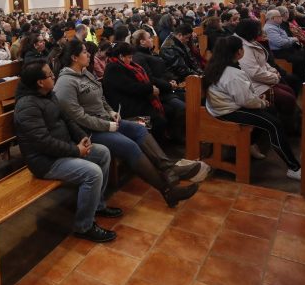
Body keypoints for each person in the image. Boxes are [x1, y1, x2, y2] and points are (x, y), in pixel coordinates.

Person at [54, 39, 200, 207]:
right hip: (89, 132)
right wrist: (107, 125)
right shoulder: (66, 83)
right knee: (131, 145)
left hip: (107, 120)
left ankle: (169, 168)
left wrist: (111, 112)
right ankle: (167, 190)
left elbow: (100, 97)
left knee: (139, 130)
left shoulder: (85, 72)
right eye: (85, 52)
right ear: (74, 57)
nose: (88, 54)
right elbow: (78, 117)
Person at [14, 61, 121, 243]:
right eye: (49, 75)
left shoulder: (48, 94)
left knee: (102, 152)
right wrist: (75, 151)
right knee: (92, 173)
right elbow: (43, 143)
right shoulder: (27, 106)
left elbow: (67, 119)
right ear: (40, 82)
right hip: (44, 161)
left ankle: (97, 206)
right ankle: (83, 226)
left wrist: (82, 138)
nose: (53, 76)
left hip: (62, 150)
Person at [203, 36, 301, 180]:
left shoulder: (217, 65)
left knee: (271, 111)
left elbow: (244, 96)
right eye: (242, 48)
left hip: (223, 106)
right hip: (228, 111)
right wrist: (261, 103)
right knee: (273, 124)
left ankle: (249, 143)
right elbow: (246, 100)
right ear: (238, 52)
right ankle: (294, 167)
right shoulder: (232, 74)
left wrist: (260, 101)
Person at [235, 19, 299, 138]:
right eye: (258, 30)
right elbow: (254, 73)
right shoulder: (242, 46)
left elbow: (264, 62)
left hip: (261, 79)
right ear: (250, 32)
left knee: (288, 90)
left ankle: (286, 124)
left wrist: (273, 71)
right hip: (252, 85)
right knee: (287, 98)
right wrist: (274, 77)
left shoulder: (250, 42)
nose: (261, 32)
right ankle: (287, 130)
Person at [102, 43, 170, 141]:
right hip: (126, 112)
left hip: (134, 103)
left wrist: (150, 88)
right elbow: (130, 87)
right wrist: (150, 89)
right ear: (121, 56)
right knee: (158, 121)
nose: (131, 60)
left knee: (168, 110)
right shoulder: (113, 68)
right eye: (129, 57)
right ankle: (156, 149)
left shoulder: (121, 65)